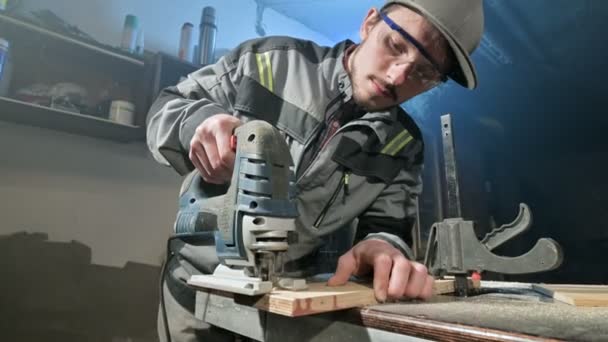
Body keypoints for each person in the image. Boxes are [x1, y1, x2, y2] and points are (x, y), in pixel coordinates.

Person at [146, 0, 484, 340]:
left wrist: (382, 247)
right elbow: (166, 107)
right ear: (369, 23)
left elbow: (387, 227)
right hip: (196, 285)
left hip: (291, 301)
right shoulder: (269, 60)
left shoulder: (402, 145)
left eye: (424, 73)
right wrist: (198, 123)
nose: (397, 76)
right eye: (394, 45)